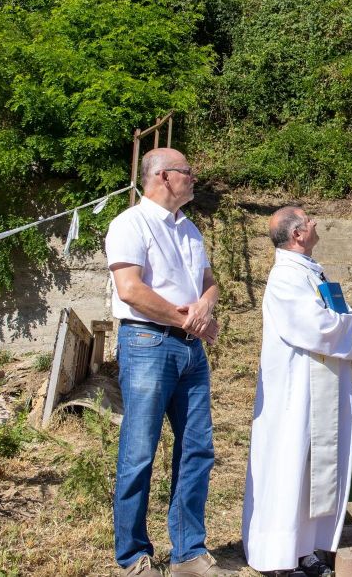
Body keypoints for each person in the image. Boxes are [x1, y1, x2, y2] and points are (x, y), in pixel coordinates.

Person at [105, 148, 229, 577]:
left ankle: (188, 553)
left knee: (197, 449)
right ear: (162, 176)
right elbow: (130, 290)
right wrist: (189, 320)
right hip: (146, 342)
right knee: (139, 450)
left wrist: (204, 309)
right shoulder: (129, 224)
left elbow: (209, 284)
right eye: (188, 172)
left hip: (189, 351)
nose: (194, 178)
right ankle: (133, 556)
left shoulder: (190, 229)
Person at [243, 206, 352, 577]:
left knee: (309, 466)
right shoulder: (285, 276)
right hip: (295, 392)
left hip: (317, 382)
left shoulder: (307, 271)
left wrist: (346, 322)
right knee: (291, 462)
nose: (315, 222)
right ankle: (281, 554)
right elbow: (313, 324)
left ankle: (307, 549)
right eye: (308, 219)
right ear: (297, 234)